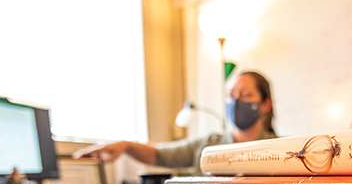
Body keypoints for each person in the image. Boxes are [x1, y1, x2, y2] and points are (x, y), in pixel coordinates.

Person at [72, 71, 277, 174]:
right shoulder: (208, 144)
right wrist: (125, 146)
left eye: (246, 95)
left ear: (265, 104)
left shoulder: (282, 151)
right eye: (230, 95)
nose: (236, 101)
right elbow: (159, 154)